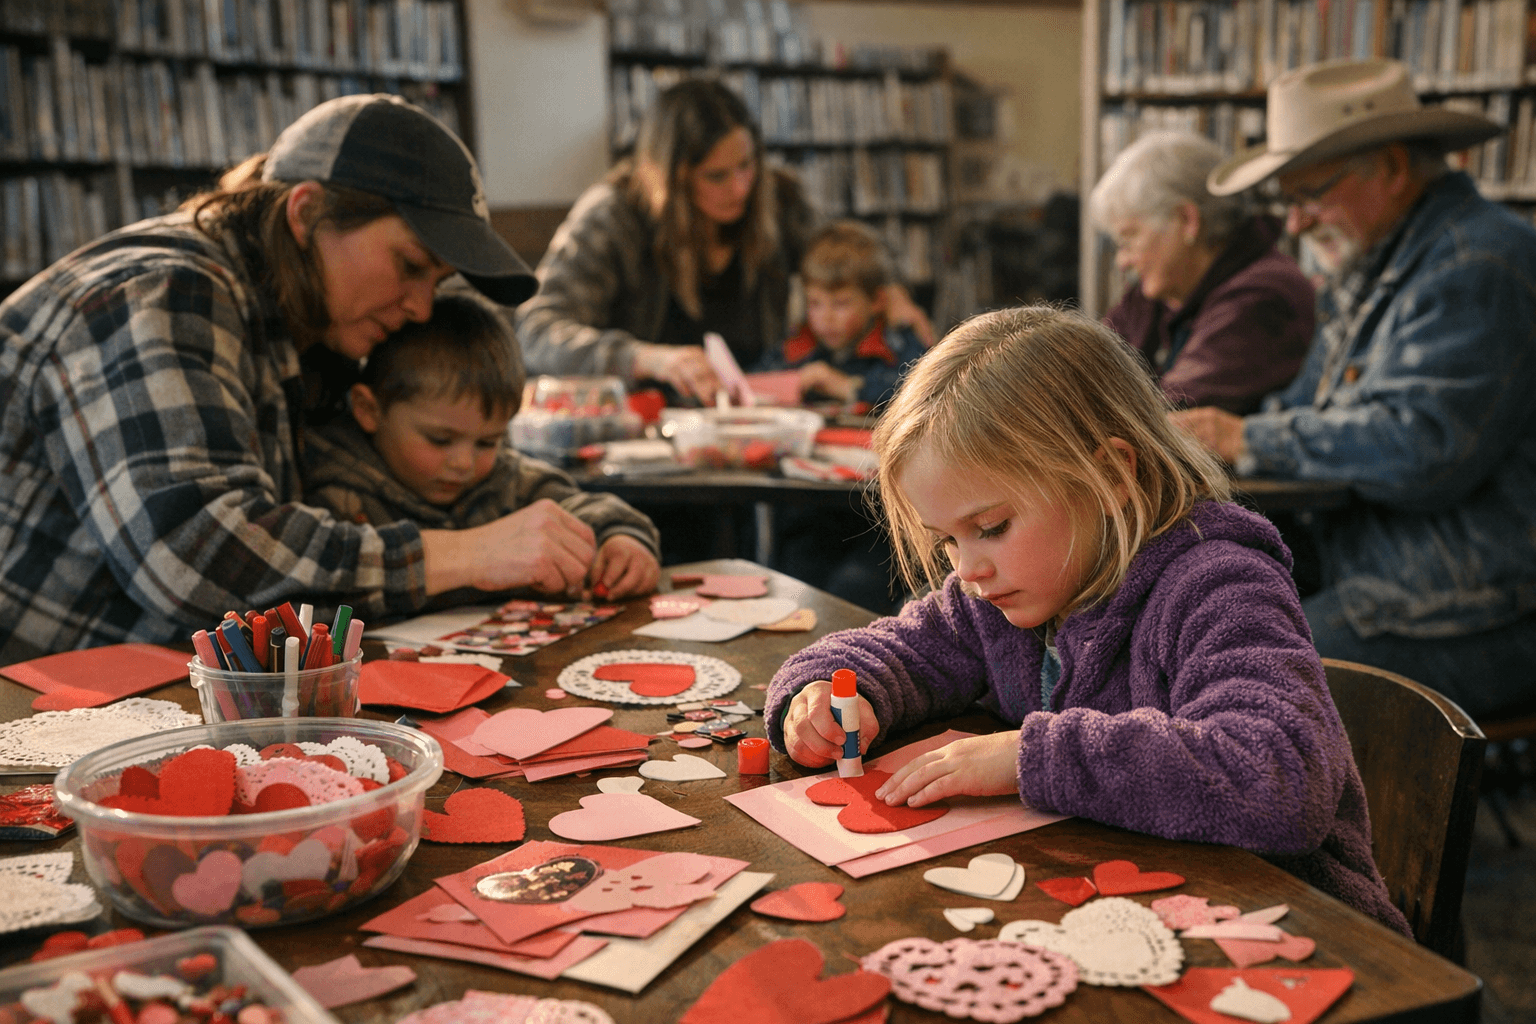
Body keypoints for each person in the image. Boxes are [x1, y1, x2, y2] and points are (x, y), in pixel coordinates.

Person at [766, 305, 1410, 932]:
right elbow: (907, 648)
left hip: (1300, 941)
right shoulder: (1004, 590)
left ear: (1111, 475)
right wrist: (826, 687)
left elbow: (1278, 776)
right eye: (947, 542)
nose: (966, 569)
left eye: (990, 527)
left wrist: (1029, 758)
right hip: (1131, 916)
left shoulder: (1219, 585)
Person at [0, 94, 624, 661]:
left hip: (140, 697)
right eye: (410, 265)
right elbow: (196, 559)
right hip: (29, 712)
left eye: (437, 283)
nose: (421, 308)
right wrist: (469, 552)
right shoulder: (162, 289)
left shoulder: (309, 327)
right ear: (306, 213)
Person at [1173, 58, 1536, 721]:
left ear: (1393, 169)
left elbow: (1424, 451)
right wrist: (1220, 441)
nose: (1297, 225)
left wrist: (1246, 437)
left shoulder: (1479, 263)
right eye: (1287, 202)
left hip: (1477, 604)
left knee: (1244, 671)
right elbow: (1311, 410)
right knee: (1189, 616)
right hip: (1391, 576)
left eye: (1309, 194)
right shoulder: (1380, 265)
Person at [515, 79, 930, 406]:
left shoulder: (776, 198)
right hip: (647, 423)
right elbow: (537, 331)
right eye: (717, 176)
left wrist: (890, 290)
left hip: (761, 406)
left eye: (747, 165)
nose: (740, 188)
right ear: (672, 177)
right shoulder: (614, 215)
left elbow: (847, 252)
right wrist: (647, 358)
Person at [303, 293, 661, 599]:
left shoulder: (505, 479)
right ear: (369, 410)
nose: (463, 463)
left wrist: (621, 541)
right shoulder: (336, 498)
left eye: (487, 442)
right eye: (440, 440)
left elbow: (585, 509)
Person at [1092, 130, 1315, 414]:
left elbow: (1162, 422)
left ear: (1187, 220)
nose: (1122, 261)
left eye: (1130, 238)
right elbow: (1085, 370)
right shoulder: (1161, 289)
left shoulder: (1264, 296)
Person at [757, 220, 926, 409]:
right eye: (815, 303)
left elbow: (923, 392)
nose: (826, 317)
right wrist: (793, 381)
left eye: (841, 304)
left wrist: (848, 387)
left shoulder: (895, 342)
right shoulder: (799, 342)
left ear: (877, 301)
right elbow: (754, 381)